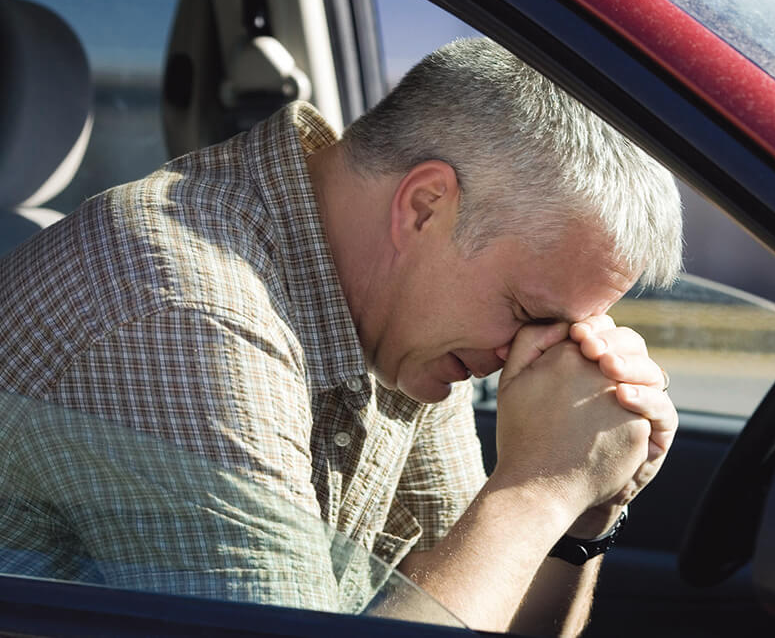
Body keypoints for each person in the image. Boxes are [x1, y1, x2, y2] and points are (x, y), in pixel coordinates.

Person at [0, 38, 681, 635]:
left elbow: (478, 599)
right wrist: (538, 488)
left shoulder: (405, 318)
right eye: (532, 311)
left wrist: (586, 504)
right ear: (424, 206)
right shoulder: (183, 309)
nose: (531, 353)